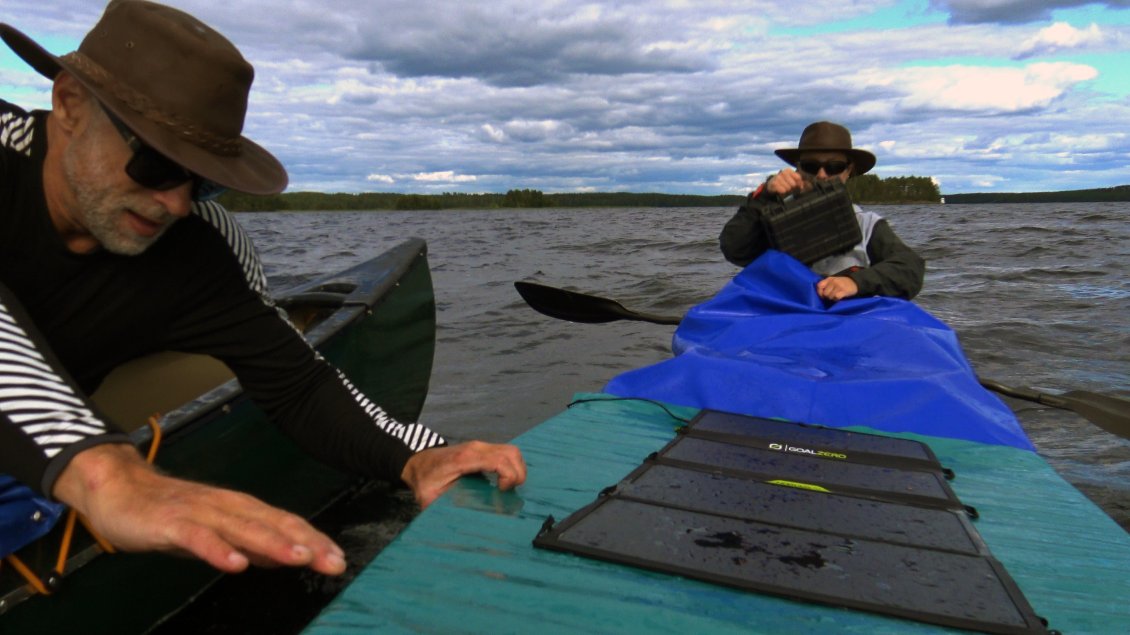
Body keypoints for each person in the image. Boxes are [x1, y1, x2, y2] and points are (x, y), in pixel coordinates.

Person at [0, 1, 525, 576]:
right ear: (70, 105)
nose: (175, 203)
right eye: (154, 164)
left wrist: (422, 454)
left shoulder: (196, 247)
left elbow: (299, 385)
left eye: (201, 183)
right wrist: (107, 475)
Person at [719, 121, 925, 301]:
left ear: (848, 171)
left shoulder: (867, 224)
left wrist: (854, 283)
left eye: (834, 167)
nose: (822, 174)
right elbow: (734, 249)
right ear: (798, 168)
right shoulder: (770, 218)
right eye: (811, 166)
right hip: (784, 318)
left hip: (842, 322)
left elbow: (910, 269)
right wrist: (763, 196)